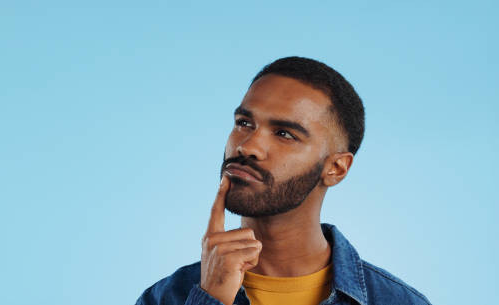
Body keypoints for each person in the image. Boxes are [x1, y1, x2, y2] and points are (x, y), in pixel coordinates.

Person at [135, 56, 431, 305]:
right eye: (244, 123)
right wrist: (212, 298)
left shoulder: (396, 301)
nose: (247, 146)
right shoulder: (167, 297)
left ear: (336, 168)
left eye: (284, 134)